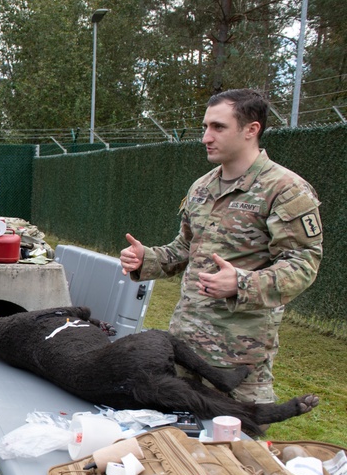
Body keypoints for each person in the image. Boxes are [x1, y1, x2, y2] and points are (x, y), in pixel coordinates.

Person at [120, 88, 323, 405]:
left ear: (250, 130)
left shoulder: (284, 190)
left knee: (237, 445)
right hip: (185, 347)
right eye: (205, 127)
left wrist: (241, 282)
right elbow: (185, 249)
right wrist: (147, 258)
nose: (205, 137)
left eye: (218, 127)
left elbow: (302, 265)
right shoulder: (202, 187)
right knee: (177, 439)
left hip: (237, 358)